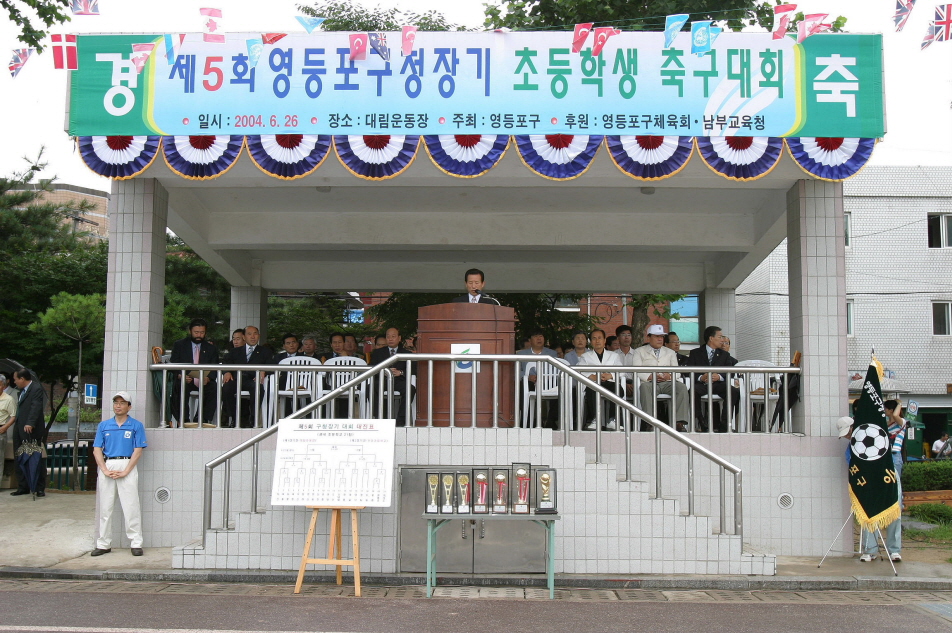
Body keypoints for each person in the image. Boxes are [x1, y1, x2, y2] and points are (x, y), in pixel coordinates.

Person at [91, 392, 148, 557]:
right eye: (116, 402)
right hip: (108, 465)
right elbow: (96, 449)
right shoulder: (104, 425)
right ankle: (103, 544)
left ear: (128, 406)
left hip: (127, 464)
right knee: (105, 507)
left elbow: (138, 450)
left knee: (131, 506)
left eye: (122, 403)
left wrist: (126, 471)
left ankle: (136, 543)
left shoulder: (136, 425)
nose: (118, 405)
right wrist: (104, 469)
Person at [632, 324, 689, 431]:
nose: (660, 339)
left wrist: (670, 375)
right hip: (649, 382)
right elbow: (637, 370)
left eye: (661, 337)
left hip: (667, 382)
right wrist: (650, 377)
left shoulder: (670, 352)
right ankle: (649, 422)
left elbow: (677, 372)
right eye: (656, 336)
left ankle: (679, 423)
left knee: (681, 387)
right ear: (648, 337)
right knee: (644, 388)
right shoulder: (639, 351)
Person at [686, 326, 739, 433]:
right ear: (711, 338)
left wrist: (719, 376)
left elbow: (730, 371)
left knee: (733, 391)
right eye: (720, 337)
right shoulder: (695, 353)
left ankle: (724, 424)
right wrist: (701, 377)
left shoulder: (724, 354)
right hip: (702, 384)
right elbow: (688, 371)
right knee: (692, 391)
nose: (722, 340)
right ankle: (702, 423)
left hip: (718, 384)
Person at [220, 325, 273, 428]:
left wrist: (264, 371)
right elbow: (225, 363)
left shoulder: (265, 351)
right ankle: (235, 418)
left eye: (255, 334)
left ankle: (253, 418)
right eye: (249, 334)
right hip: (236, 379)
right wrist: (226, 372)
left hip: (253, 379)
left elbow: (272, 366)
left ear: (259, 336)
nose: (253, 337)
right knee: (227, 388)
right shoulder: (235, 351)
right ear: (244, 337)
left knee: (257, 389)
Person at [169, 319, 219, 425]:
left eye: (202, 333)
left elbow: (215, 366)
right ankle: (183, 419)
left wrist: (208, 378)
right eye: (196, 332)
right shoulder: (179, 345)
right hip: (186, 378)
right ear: (190, 331)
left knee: (214, 388)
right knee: (179, 386)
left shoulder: (211, 348)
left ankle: (202, 419)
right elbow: (173, 364)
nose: (199, 335)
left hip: (203, 379)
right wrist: (180, 375)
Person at [370, 327, 416, 427]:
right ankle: (379, 418)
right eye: (388, 336)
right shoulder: (378, 353)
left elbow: (414, 369)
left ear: (399, 338)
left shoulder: (406, 353)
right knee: (372, 387)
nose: (390, 339)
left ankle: (400, 419)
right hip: (383, 380)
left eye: (393, 336)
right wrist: (383, 371)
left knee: (410, 389)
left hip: (399, 380)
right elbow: (371, 368)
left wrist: (401, 372)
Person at [10, 368, 46, 497]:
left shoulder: (36, 389)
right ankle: (23, 486)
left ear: (22, 379)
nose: (15, 382)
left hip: (31, 429)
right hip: (19, 428)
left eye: (15, 379)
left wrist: (30, 422)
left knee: (35, 457)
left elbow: (35, 406)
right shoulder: (21, 392)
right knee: (19, 456)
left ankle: (39, 487)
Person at [579, 329, 624, 431]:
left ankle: (612, 420)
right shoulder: (585, 356)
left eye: (600, 338)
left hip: (609, 382)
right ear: (590, 341)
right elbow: (580, 371)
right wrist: (592, 376)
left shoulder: (614, 355)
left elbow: (622, 370)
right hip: (594, 383)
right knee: (591, 390)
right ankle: (594, 419)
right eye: (594, 338)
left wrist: (610, 375)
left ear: (604, 340)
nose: (597, 341)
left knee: (618, 389)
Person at [516, 329, 559, 427]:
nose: (539, 339)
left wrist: (543, 377)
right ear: (530, 341)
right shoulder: (521, 354)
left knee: (559, 386)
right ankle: (527, 422)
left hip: (547, 382)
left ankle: (550, 421)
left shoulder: (552, 354)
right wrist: (527, 376)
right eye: (535, 336)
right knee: (523, 386)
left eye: (541, 336)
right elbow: (517, 371)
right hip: (530, 382)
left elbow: (555, 369)